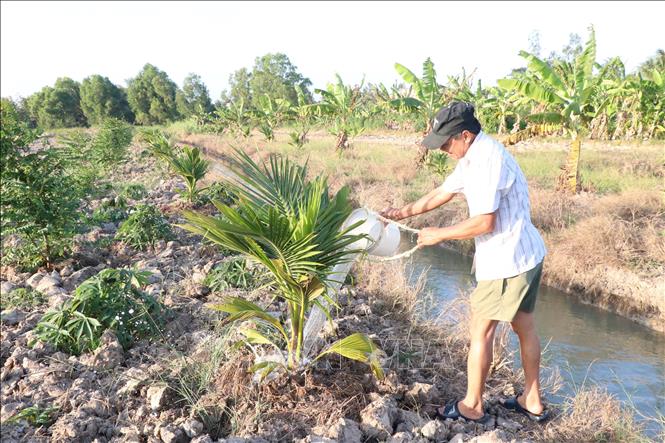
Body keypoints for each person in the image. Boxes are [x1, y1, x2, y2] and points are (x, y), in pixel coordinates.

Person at [380, 102, 550, 424]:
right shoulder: (473, 155)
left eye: (446, 143)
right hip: (525, 254)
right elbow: (443, 192)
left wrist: (438, 235)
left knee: (481, 332)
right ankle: (532, 399)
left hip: (506, 261)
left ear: (466, 135)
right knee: (523, 325)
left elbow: (484, 222)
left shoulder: (487, 161)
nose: (443, 149)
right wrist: (400, 213)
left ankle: (472, 405)